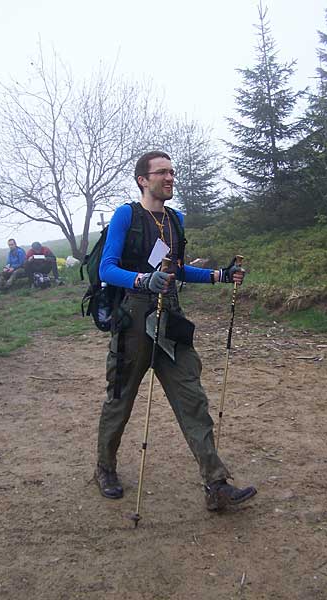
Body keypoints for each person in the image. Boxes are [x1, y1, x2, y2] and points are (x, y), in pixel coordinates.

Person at [95, 150, 257, 512]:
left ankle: (216, 484)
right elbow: (107, 268)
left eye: (172, 172)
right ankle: (104, 468)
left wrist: (219, 275)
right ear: (143, 180)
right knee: (120, 400)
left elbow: (177, 269)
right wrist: (143, 279)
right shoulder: (126, 215)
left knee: (192, 398)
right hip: (133, 319)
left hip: (171, 318)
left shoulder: (175, 220)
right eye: (162, 172)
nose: (170, 178)